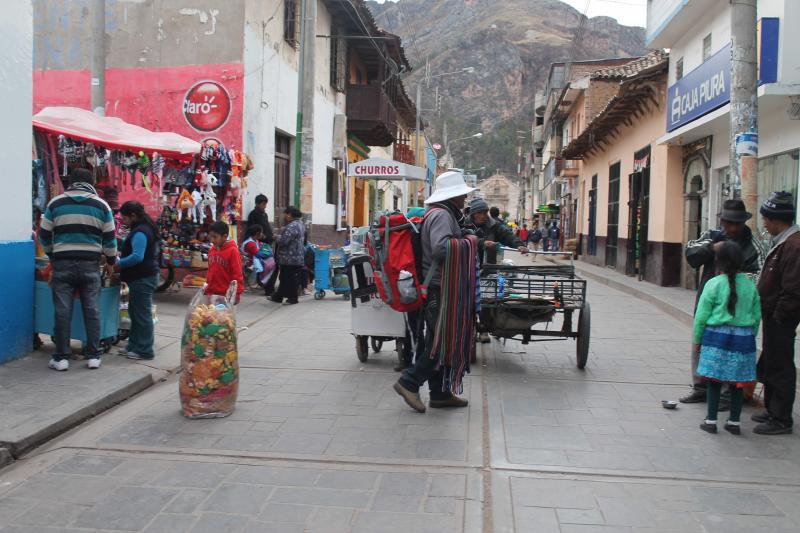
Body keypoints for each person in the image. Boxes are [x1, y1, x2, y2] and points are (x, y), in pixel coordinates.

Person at [393, 171, 477, 412]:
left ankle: (439, 393)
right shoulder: (441, 216)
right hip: (439, 289)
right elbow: (442, 248)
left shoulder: (441, 213)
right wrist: (469, 241)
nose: (464, 199)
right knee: (440, 343)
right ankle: (409, 382)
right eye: (462, 194)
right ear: (454, 196)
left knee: (438, 340)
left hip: (440, 287)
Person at [680, 199, 763, 405]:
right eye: (728, 223)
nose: (732, 228)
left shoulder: (754, 245)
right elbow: (691, 254)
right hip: (708, 302)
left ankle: (728, 394)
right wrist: (712, 248)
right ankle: (701, 388)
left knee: (730, 352)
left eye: (736, 223)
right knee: (700, 346)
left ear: (743, 222)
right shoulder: (712, 236)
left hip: (737, 311)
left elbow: (758, 277)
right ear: (722, 221)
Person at [39, 168, 117, 371]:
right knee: (92, 310)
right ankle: (93, 356)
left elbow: (44, 235)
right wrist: (110, 262)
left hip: (62, 264)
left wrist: (52, 255)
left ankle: (61, 358)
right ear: (91, 182)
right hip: (90, 265)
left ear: (71, 182)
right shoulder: (102, 205)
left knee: (62, 312)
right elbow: (110, 239)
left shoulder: (55, 203)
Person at [693, 241, 760, 435]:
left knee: (714, 381)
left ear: (718, 262)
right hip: (743, 339)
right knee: (737, 383)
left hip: (716, 338)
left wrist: (698, 340)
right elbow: (756, 317)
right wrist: (750, 337)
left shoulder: (713, 284)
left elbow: (701, 317)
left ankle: (711, 420)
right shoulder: (750, 286)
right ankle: (734, 422)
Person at [753, 192, 800, 435]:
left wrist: (780, 315)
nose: (764, 224)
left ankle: (781, 418)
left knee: (781, 365)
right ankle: (772, 409)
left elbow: (793, 288)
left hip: (781, 317)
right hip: (772, 315)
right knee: (771, 361)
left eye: (766, 220)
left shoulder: (794, 245)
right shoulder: (783, 241)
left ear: (777, 220)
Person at [117, 201, 161, 361]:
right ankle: (133, 345)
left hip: (143, 278)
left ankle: (145, 349)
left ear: (133, 216)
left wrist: (117, 263)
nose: (123, 222)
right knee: (135, 313)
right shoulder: (142, 229)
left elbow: (137, 256)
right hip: (140, 277)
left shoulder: (141, 232)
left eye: (125, 218)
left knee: (142, 315)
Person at [467, 198, 528, 265]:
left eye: (485, 213)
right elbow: (463, 239)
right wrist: (482, 243)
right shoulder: (464, 225)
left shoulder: (494, 225)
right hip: (468, 266)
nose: (482, 216)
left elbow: (507, 235)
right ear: (472, 214)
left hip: (488, 267)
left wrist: (519, 245)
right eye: (479, 213)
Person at [270, 207, 305, 305]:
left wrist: (276, 237)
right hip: (295, 257)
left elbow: (284, 241)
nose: (285, 216)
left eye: (286, 214)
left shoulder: (292, 226)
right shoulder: (300, 224)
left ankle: (293, 298)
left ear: (290, 214)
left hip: (290, 258)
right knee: (284, 277)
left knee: (290, 278)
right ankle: (278, 296)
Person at [206, 220, 244, 304]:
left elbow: (237, 274)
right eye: (211, 237)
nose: (212, 240)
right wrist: (207, 287)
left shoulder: (233, 251)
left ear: (225, 236)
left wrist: (236, 294)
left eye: (215, 237)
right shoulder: (212, 250)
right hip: (211, 293)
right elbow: (210, 271)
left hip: (226, 295)